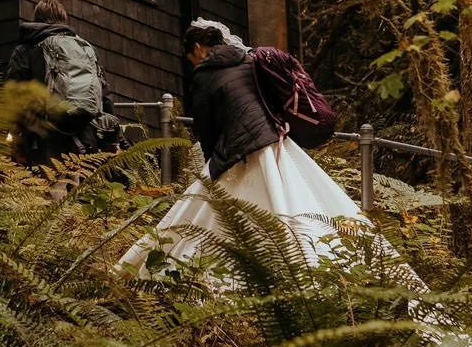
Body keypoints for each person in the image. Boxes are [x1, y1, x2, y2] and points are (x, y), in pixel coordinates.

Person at [120, 20, 374, 271]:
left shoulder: (204, 75)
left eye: (191, 58)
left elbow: (206, 127)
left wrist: (211, 166)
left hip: (239, 150)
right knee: (291, 204)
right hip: (275, 144)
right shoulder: (249, 60)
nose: (193, 64)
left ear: (197, 48)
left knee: (232, 216)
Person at [6, 0, 111, 165]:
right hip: (85, 136)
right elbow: (104, 95)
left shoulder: (26, 49)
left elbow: (12, 95)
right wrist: (108, 140)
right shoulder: (86, 49)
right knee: (81, 189)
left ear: (37, 19)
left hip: (44, 139)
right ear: (64, 19)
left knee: (49, 189)